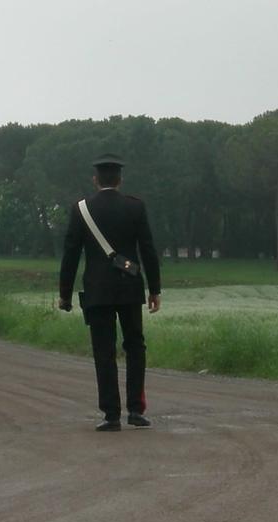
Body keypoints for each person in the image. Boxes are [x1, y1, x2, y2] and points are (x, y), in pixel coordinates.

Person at [58, 154, 162, 432]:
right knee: (135, 347)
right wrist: (155, 289)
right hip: (129, 287)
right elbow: (148, 251)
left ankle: (111, 415)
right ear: (120, 180)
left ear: (96, 180)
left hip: (97, 291)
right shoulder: (135, 208)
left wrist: (65, 294)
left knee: (103, 351)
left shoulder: (81, 210)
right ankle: (137, 411)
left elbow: (70, 254)